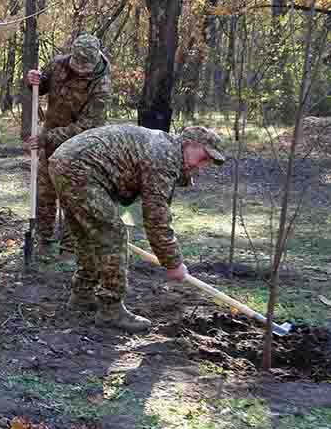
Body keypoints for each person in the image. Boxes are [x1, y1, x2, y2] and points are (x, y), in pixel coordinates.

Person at [48, 124, 225, 333]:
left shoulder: (164, 147)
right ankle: (111, 310)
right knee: (113, 235)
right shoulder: (164, 157)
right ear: (190, 144)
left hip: (65, 161)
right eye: (204, 157)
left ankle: (83, 294)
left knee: (90, 235)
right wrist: (173, 262)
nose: (202, 166)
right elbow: (156, 218)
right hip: (81, 168)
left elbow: (139, 202)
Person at [24, 33, 112, 257]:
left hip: (79, 146)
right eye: (77, 65)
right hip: (50, 137)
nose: (80, 71)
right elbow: (41, 86)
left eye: (85, 68)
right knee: (44, 191)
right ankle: (43, 239)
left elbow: (89, 126)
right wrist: (34, 80)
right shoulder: (57, 64)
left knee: (71, 196)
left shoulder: (101, 85)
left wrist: (48, 137)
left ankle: (70, 247)